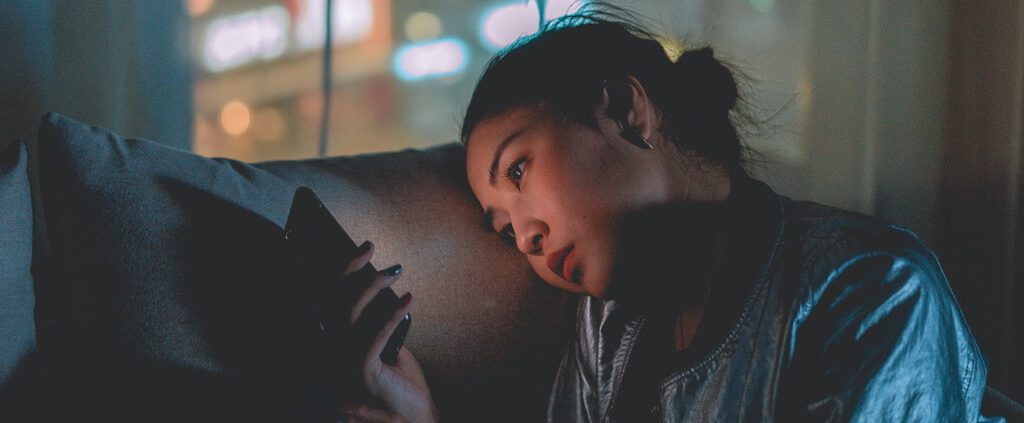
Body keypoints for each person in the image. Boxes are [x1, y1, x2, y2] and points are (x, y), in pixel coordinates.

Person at [338, 6, 991, 422]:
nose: (527, 237)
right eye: (505, 228)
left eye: (519, 171)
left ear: (627, 109)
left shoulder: (872, 286)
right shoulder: (606, 329)